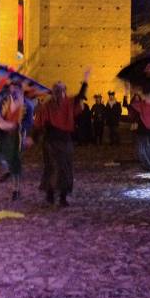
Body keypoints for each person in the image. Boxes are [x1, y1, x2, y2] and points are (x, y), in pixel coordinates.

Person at [33, 70, 90, 206]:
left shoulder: (67, 103)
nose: (62, 93)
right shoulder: (49, 106)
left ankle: (60, 197)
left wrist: (86, 80)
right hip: (53, 142)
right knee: (54, 168)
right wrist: (85, 80)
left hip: (62, 141)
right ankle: (52, 195)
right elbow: (40, 124)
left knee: (62, 168)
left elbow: (80, 96)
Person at [0, 82, 34, 200]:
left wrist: (24, 134)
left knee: (15, 162)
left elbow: (28, 123)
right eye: (11, 90)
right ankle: (7, 167)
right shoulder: (5, 100)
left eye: (15, 91)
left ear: (20, 90)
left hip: (16, 136)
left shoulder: (28, 105)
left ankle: (16, 190)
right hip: (3, 134)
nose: (12, 93)